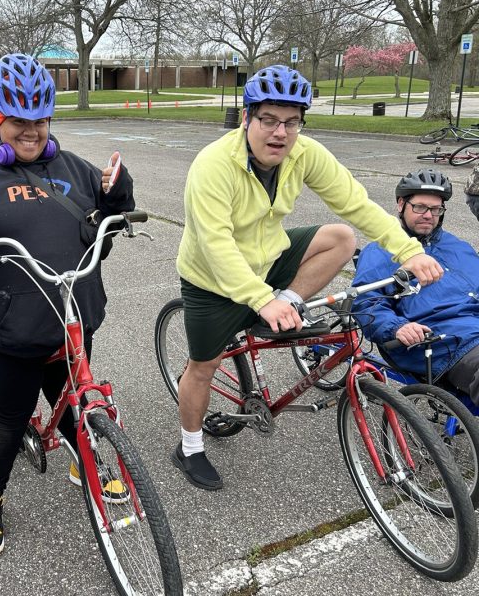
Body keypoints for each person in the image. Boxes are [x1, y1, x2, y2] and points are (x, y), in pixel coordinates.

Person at [173, 65, 443, 491]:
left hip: (269, 256)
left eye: (292, 122)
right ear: (247, 118)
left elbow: (355, 203)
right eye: (268, 120)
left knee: (339, 236)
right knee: (203, 366)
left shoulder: (305, 153)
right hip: (212, 278)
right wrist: (261, 300)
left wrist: (408, 250)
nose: (280, 132)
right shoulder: (212, 166)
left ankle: (290, 301)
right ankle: (188, 447)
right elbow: (215, 244)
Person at [0, 53, 135, 557]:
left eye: (38, 120)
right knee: (9, 419)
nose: (29, 131)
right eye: (17, 121)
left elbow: (106, 224)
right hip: (12, 329)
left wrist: (118, 196)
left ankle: (86, 459)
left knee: (77, 398)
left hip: (75, 318)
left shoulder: (73, 167)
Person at [352, 169, 479, 406]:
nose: (429, 215)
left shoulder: (458, 246)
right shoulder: (380, 251)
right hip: (444, 341)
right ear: (401, 204)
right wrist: (397, 327)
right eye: (420, 207)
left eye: (435, 209)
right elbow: (365, 302)